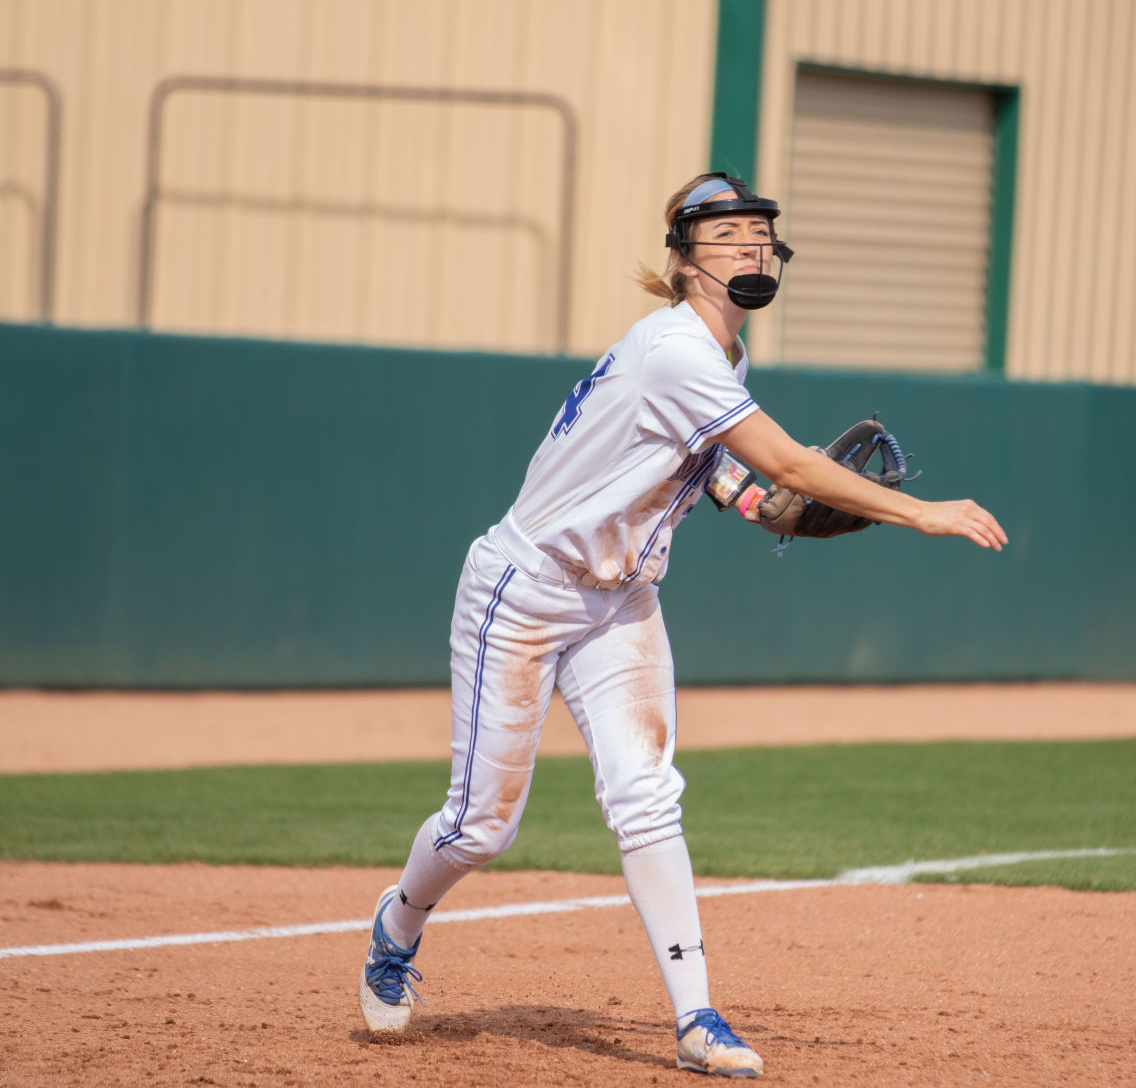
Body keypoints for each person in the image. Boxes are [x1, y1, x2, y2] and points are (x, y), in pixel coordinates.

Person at [357, 171, 1007, 1077]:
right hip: (528, 586)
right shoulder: (673, 349)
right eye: (728, 233)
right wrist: (921, 511)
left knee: (646, 793)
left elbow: (712, 467)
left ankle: (697, 1017)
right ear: (683, 258)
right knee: (481, 828)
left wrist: (753, 499)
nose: (749, 247)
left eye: (759, 234)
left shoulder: (721, 359)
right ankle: (398, 924)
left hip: (621, 598)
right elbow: (782, 456)